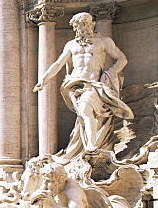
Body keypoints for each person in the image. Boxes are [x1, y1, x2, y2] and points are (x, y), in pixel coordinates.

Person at [34, 11, 134, 160]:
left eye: (84, 24)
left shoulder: (104, 42)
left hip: (93, 84)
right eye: (78, 26)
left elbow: (122, 59)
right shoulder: (71, 45)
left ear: (92, 24)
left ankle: (91, 146)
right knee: (83, 115)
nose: (81, 28)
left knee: (86, 110)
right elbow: (57, 64)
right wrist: (44, 79)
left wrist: (109, 73)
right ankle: (87, 145)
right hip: (74, 84)